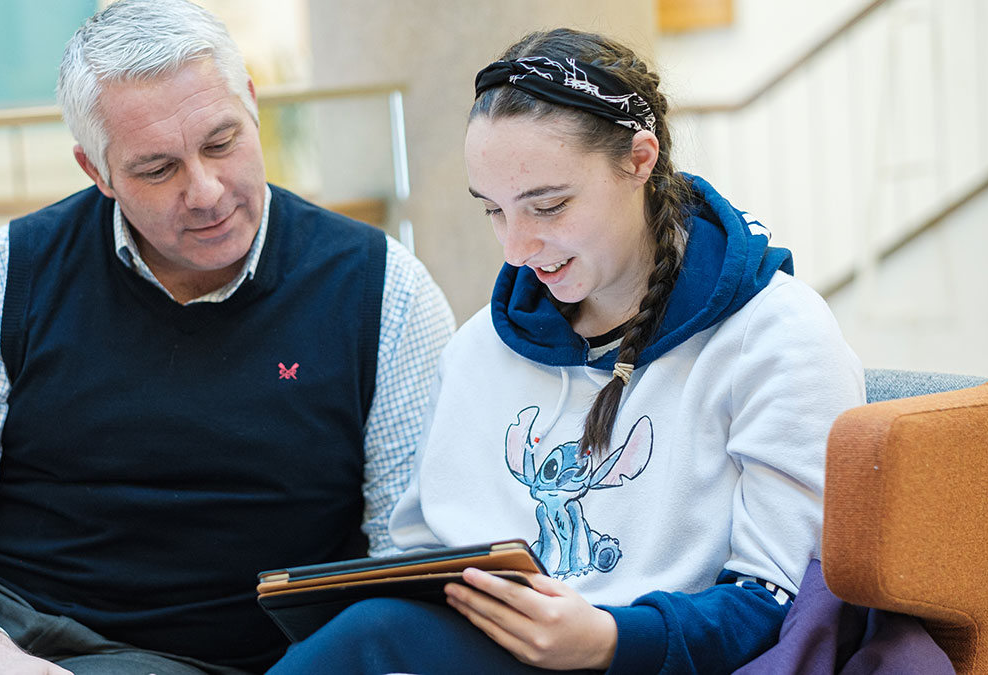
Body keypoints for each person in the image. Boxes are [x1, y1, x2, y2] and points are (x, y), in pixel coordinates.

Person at [0, 1, 454, 673]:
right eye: (158, 168)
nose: (205, 190)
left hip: (174, 655)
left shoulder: (383, 291)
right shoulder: (2, 273)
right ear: (96, 170)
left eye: (222, 142)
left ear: (252, 105)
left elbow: (407, 561)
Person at [267, 28, 864, 675]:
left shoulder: (775, 335)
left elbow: (783, 602)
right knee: (375, 630)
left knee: (373, 636)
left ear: (640, 160)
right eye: (493, 211)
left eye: (546, 205)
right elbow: (425, 557)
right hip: (479, 656)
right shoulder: (477, 353)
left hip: (657, 661)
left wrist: (612, 638)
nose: (517, 248)